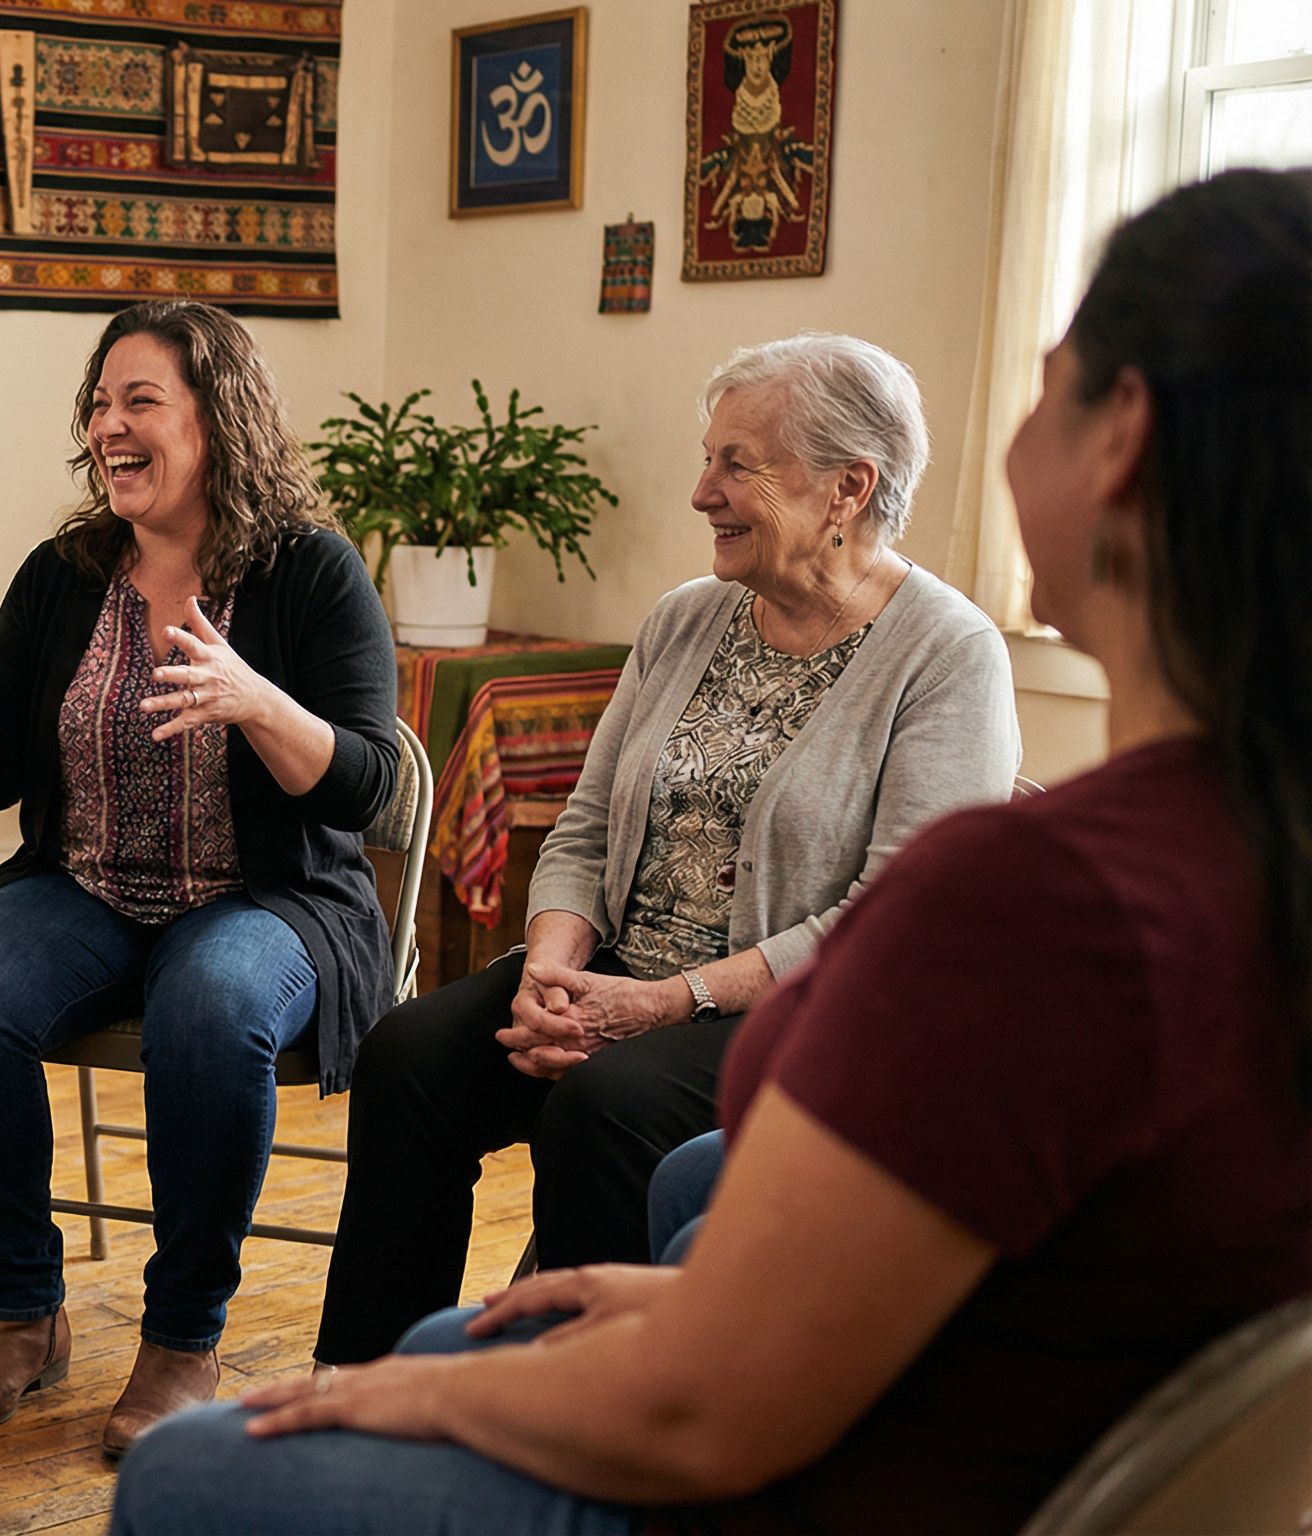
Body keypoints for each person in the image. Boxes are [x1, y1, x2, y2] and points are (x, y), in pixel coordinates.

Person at [112, 166, 1312, 1535]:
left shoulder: (1025, 893)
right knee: (524, 1146)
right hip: (921, 1417)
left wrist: (414, 1403)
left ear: (1124, 440)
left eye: (1048, 386)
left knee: (193, 1470)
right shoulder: (1243, 850)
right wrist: (570, 986)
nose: (702, 491)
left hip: (791, 1479)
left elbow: (698, 1412)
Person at [314, 332, 1021, 1364]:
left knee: (608, 1104)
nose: (701, 491)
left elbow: (893, 923)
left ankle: (570, 1407)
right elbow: (587, 825)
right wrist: (550, 972)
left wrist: (663, 1004)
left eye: (737, 464)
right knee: (410, 1057)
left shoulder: (947, 653)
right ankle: (361, 1386)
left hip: (794, 1013)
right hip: (615, 978)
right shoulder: (685, 619)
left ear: (846, 489)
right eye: (709, 459)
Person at [0, 300, 403, 1456]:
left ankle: (180, 1339)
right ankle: (24, 1311)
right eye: (100, 403)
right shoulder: (65, 573)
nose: (109, 425)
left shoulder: (310, 572)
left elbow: (363, 786)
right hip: (89, 884)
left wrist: (258, 703)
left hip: (269, 901)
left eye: (139, 400)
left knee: (211, 1005)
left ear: (217, 420)